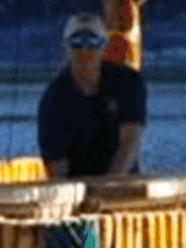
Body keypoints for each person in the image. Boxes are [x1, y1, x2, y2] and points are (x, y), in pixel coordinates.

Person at [37, 11, 147, 177]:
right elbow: (57, 166)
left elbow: (130, 140)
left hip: (122, 183)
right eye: (76, 42)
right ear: (66, 47)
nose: (85, 50)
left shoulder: (128, 82)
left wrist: (108, 185)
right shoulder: (53, 99)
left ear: (104, 45)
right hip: (76, 185)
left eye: (93, 41)